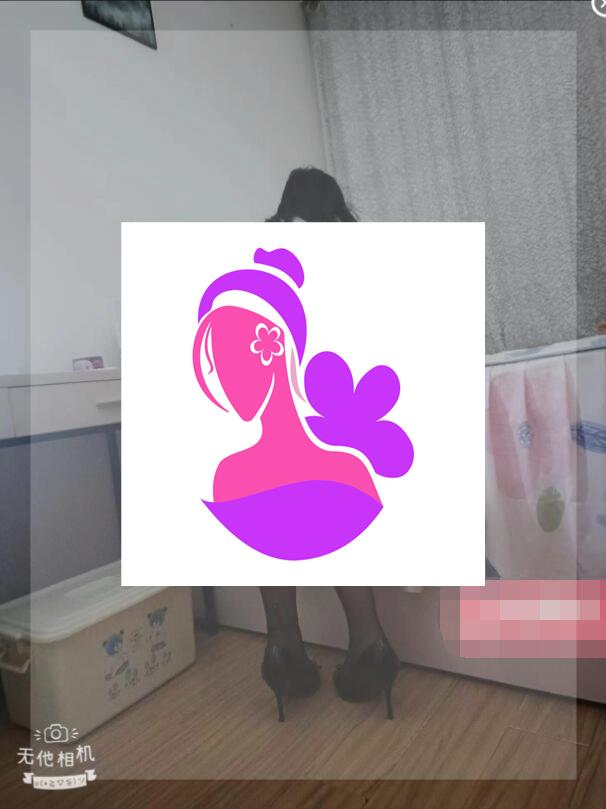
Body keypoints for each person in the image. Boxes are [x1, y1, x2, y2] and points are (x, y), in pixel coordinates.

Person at [193, 168, 406, 721]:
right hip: (338, 408)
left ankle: (282, 645)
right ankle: (370, 642)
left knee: (265, 515)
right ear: (336, 204)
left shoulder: (259, 250)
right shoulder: (357, 250)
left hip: (275, 424)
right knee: (339, 509)